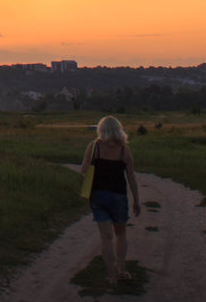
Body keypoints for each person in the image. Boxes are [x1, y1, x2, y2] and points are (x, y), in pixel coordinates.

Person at [80, 115, 141, 284]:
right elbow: (131, 177)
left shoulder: (94, 147)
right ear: (118, 130)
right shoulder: (124, 150)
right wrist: (136, 199)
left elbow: (84, 170)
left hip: (98, 196)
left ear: (101, 130)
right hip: (118, 196)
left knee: (105, 237)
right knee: (120, 234)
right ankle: (121, 269)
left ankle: (111, 276)